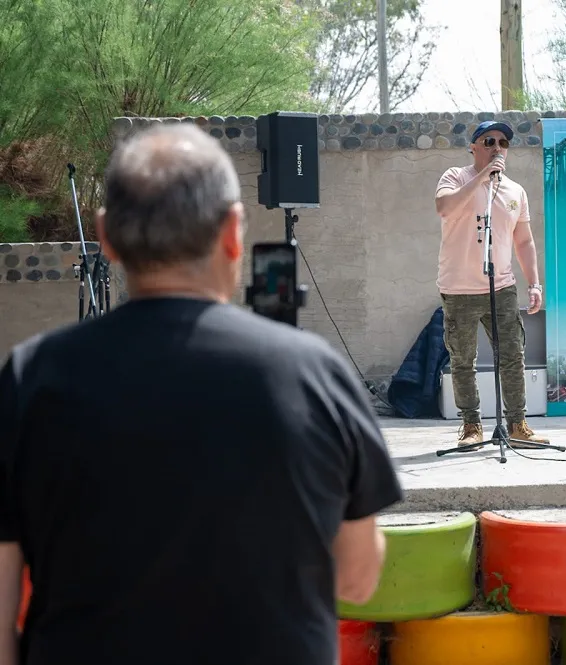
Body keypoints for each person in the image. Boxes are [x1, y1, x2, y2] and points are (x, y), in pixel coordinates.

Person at [0, 124, 403, 665]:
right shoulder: (316, 376)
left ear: (105, 237)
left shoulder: (32, 378)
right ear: (233, 232)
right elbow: (358, 576)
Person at [434, 121, 550, 449]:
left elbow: (524, 241)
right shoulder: (455, 177)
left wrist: (534, 284)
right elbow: (445, 207)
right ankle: (471, 425)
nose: (498, 147)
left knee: (513, 354)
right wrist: (482, 177)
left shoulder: (515, 191)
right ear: (473, 147)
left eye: (504, 142)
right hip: (459, 288)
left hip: (501, 287)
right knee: (463, 359)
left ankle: (517, 424)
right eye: (489, 141)